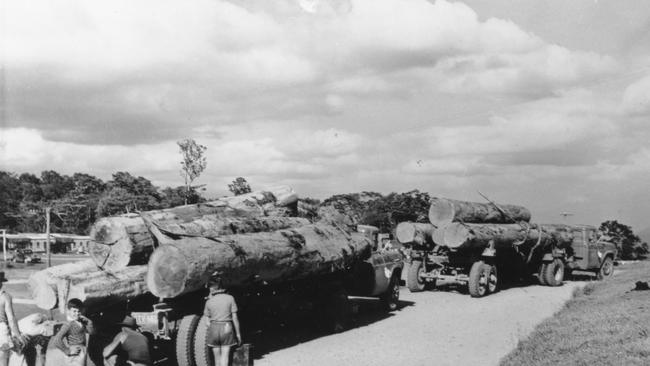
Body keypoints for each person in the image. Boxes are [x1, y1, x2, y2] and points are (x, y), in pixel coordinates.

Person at [203, 274, 241, 366]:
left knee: (217, 359)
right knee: (225, 357)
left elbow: (206, 320)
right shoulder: (230, 298)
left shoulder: (209, 302)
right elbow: (235, 318)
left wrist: (211, 327)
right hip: (226, 328)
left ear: (212, 288)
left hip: (214, 329)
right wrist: (238, 334)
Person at [50, 298, 94, 366]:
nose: (77, 313)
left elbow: (92, 332)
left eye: (79, 311)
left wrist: (89, 322)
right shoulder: (68, 324)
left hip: (82, 351)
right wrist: (67, 351)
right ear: (68, 311)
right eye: (74, 311)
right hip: (75, 352)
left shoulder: (81, 321)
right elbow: (56, 340)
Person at [0, 271, 25, 366]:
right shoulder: (5, 297)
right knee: (2, 360)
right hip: (1, 331)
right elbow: (11, 319)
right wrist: (18, 335)